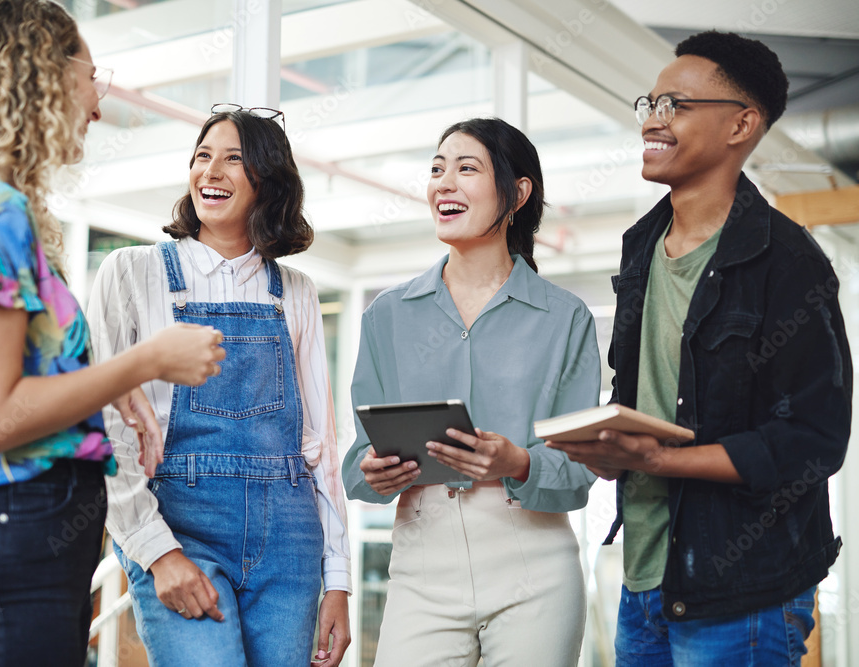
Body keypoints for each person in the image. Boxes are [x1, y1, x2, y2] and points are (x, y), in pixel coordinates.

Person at [0, 1, 226, 664]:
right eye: (91, 77)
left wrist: (103, 385)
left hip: (14, 549)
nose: (97, 104)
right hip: (9, 552)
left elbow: (5, 384)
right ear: (40, 71)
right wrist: (146, 361)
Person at [547, 31, 851, 666]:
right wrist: (611, 447)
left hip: (744, 590)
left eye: (676, 105)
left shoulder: (789, 262)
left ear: (741, 124)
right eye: (650, 103)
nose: (652, 120)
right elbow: (646, 392)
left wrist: (659, 459)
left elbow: (813, 441)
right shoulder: (640, 245)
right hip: (644, 578)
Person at [87, 105, 351, 667]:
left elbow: (319, 446)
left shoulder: (296, 291)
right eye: (202, 156)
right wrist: (156, 552)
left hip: (289, 540)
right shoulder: (130, 272)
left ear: (268, 181)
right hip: (179, 527)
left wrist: (339, 578)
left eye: (234, 159)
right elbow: (103, 427)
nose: (211, 171)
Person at [341, 117, 600, 666]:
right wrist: (372, 471)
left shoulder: (565, 317)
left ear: (518, 193)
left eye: (466, 168)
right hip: (421, 563)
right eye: (437, 169)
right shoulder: (387, 315)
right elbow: (357, 459)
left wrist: (518, 462)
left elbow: (580, 469)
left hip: (533, 566)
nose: (444, 183)